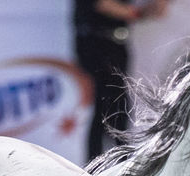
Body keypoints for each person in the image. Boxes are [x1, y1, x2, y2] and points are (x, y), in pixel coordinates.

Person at [72, 0, 170, 164]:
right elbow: (103, 4)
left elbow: (152, 11)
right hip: (94, 42)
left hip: (117, 44)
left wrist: (154, 7)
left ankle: (117, 162)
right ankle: (100, 164)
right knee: (107, 103)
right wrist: (136, 13)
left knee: (117, 105)